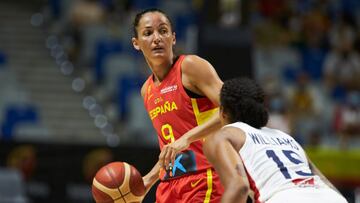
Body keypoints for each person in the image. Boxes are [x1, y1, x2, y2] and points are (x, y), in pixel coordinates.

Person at [203, 78, 348, 203]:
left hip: (284, 197)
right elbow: (324, 181)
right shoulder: (286, 138)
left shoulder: (224, 135)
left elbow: (239, 188)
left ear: (223, 111)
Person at [131, 8, 224, 202]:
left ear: (173, 38)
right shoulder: (146, 90)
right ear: (136, 43)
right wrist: (148, 180)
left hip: (205, 176)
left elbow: (234, 108)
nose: (157, 38)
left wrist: (187, 139)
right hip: (169, 186)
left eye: (163, 31)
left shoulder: (190, 66)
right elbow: (169, 148)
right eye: (148, 33)